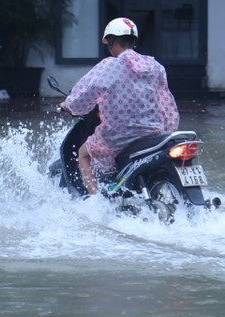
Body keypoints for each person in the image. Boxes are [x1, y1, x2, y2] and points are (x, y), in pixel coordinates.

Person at [60, 17, 180, 196]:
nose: (109, 49)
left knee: (83, 153)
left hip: (120, 135)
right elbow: (167, 102)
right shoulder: (156, 66)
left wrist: (69, 105)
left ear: (114, 41)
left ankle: (96, 204)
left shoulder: (111, 65)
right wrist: (167, 131)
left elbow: (88, 91)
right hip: (154, 133)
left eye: (109, 44)